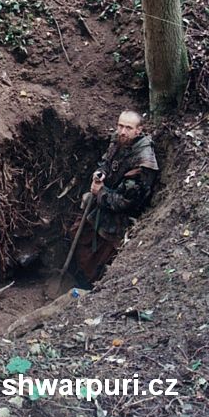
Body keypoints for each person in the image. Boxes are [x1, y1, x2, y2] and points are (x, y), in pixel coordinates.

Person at [73, 110, 158, 288]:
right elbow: (106, 162)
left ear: (138, 130)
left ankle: (90, 286)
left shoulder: (144, 162)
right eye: (120, 126)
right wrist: (101, 174)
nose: (122, 131)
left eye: (128, 127)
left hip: (119, 216)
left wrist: (100, 192)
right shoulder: (118, 139)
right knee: (77, 233)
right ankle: (76, 274)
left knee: (97, 258)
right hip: (103, 202)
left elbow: (128, 203)